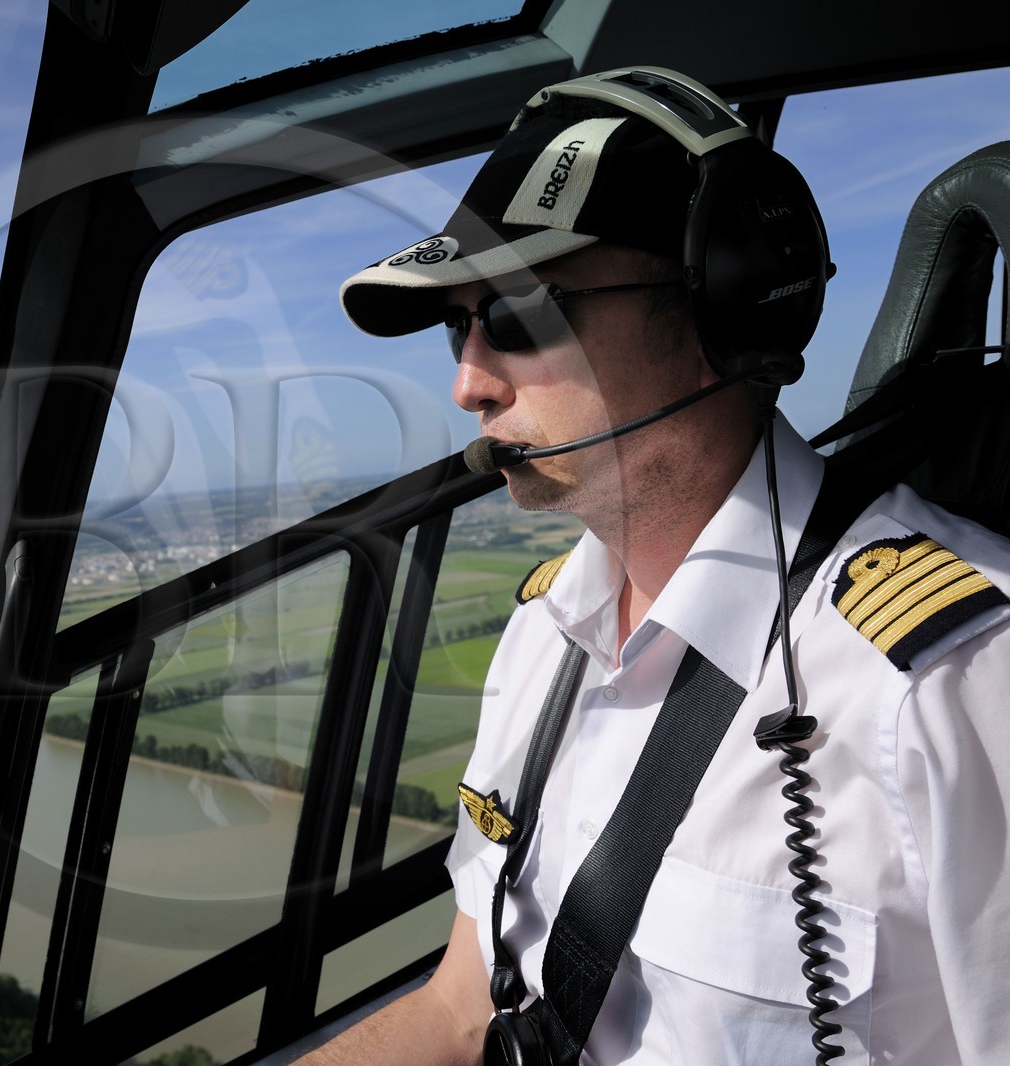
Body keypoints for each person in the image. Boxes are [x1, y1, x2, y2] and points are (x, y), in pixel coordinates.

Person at [301, 68, 1010, 1064]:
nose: (467, 381)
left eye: (517, 310)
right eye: (455, 323)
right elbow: (461, 1007)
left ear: (727, 302)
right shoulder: (540, 637)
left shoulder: (955, 679)